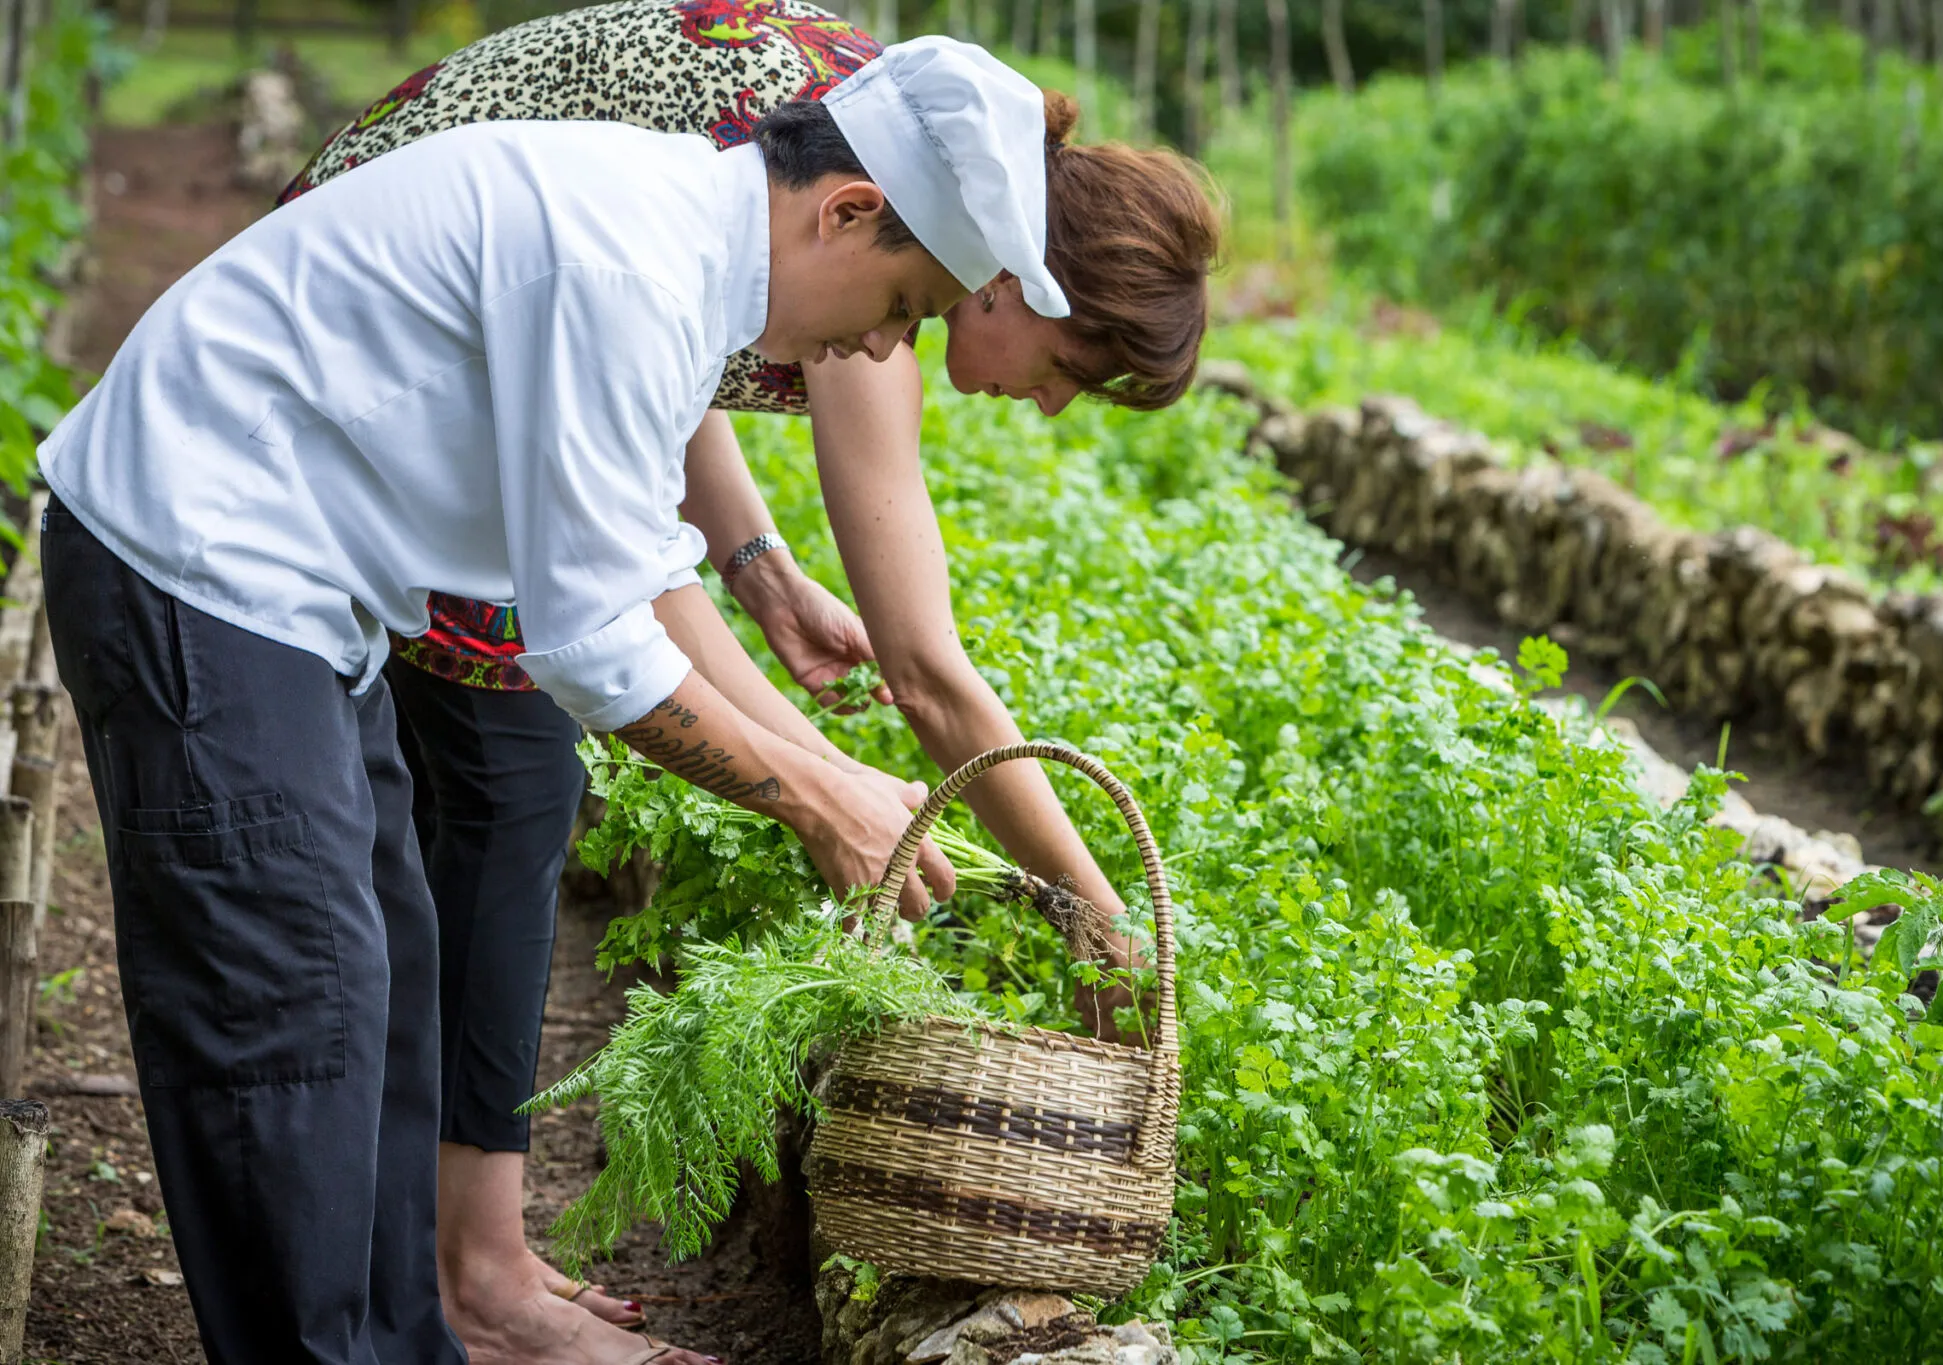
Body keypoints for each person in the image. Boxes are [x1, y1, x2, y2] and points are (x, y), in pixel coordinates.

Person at [40, 37, 1103, 1365]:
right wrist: (820, 797)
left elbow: (636, 566)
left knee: (380, 984)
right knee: (291, 1021)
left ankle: (398, 1342)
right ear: (846, 211)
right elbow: (591, 649)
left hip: (297, 584)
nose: (887, 341)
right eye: (905, 300)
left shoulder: (675, 243)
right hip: (201, 557)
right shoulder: (631, 261)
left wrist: (825, 767)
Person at [273, 6, 1222, 1363]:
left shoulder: (901, 181)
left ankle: (455, 1263)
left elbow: (670, 373)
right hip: (398, 319)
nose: (1049, 405)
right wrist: (1100, 916)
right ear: (1013, 281)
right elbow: (924, 673)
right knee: (502, 788)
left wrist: (755, 563)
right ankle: (466, 1279)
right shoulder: (901, 214)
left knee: (498, 788)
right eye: (1070, 373)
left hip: (464, 310)